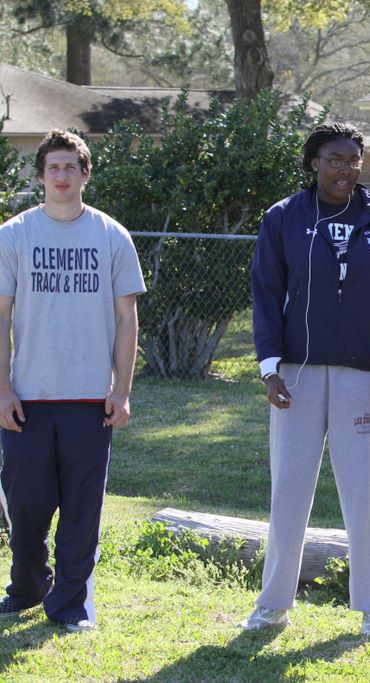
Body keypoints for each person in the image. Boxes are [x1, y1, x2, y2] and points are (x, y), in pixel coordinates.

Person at [243, 123, 370, 638]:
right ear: (313, 163)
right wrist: (269, 367)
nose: (346, 169)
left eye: (353, 160)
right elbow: (266, 294)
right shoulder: (284, 217)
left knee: (366, 494)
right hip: (296, 374)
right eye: (335, 160)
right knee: (288, 491)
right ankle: (273, 604)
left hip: (362, 375)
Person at [0, 129, 146, 632]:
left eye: (70, 167)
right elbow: (1, 315)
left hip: (90, 400)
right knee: (26, 507)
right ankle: (28, 587)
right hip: (28, 398)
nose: (61, 176)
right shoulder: (14, 235)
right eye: (53, 167)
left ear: (85, 174)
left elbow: (126, 318)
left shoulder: (111, 236)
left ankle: (69, 605)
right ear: (41, 176)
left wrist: (121, 391)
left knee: (82, 511)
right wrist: (3, 389)